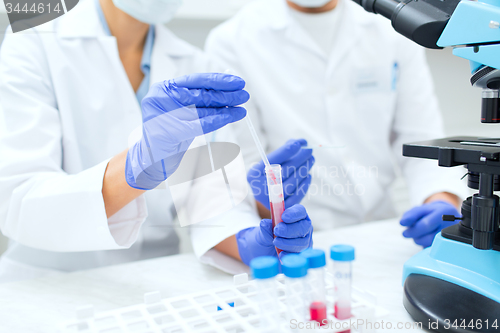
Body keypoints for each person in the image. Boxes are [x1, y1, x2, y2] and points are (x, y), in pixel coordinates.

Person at [0, 0, 313, 282]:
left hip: (150, 281)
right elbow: (17, 198)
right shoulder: (32, 41)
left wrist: (249, 242)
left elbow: (207, 203)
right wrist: (133, 169)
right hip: (46, 284)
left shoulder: (193, 64)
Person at [205, 0, 469, 247]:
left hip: (382, 232)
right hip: (295, 240)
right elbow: (242, 170)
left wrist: (441, 199)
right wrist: (268, 201)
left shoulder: (393, 30)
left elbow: (421, 139)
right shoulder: (232, 41)